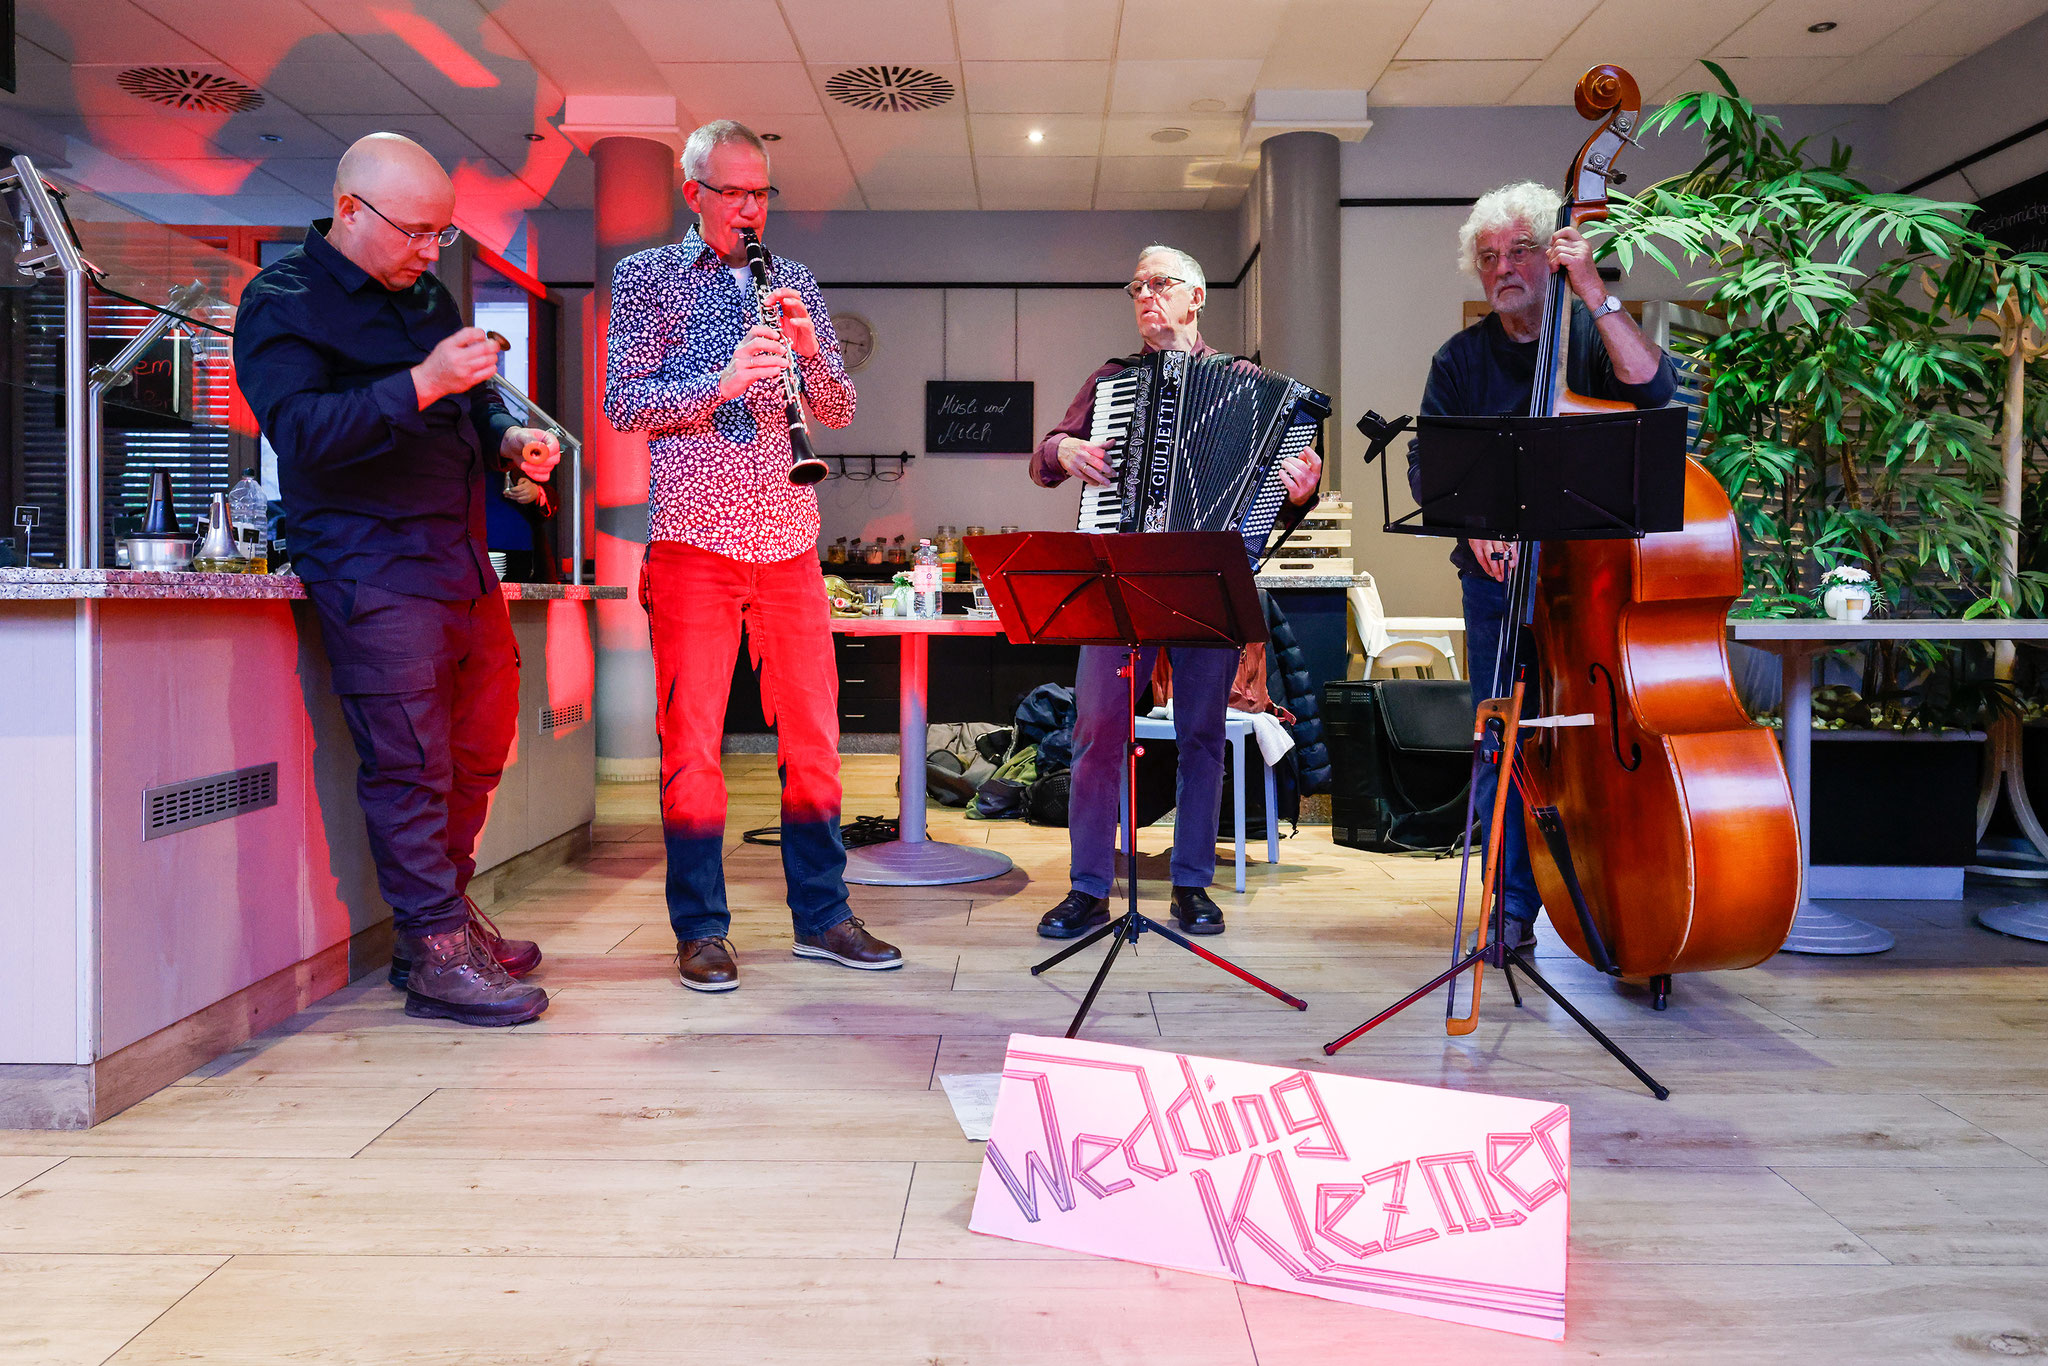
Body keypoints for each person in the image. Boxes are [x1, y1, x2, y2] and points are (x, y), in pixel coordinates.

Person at [235, 133, 562, 1026]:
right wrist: (420, 381)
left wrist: (508, 438)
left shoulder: (424, 294)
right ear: (350, 210)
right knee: (410, 765)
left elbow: (474, 399)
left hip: (459, 559)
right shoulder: (281, 300)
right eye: (416, 232)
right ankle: (436, 954)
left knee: (482, 745)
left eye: (440, 234)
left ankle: (441, 921)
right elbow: (301, 433)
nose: (429, 250)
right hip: (371, 564)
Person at [605, 119, 902, 992]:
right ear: (693, 193)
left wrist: (809, 351)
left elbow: (839, 410)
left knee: (815, 743)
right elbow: (625, 403)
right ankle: (700, 929)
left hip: (788, 543)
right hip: (693, 541)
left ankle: (824, 916)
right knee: (693, 746)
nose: (749, 207)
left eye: (760, 191)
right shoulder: (648, 277)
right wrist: (722, 382)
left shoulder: (794, 279)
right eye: (732, 191)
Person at [1409, 180, 1676, 950]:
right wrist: (1477, 524)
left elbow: (1656, 391)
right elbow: (1429, 468)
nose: (1504, 268)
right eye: (1489, 257)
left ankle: (1629, 893)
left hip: (1592, 582)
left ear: (1552, 257)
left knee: (1599, 739)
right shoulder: (1459, 360)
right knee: (1502, 738)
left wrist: (1592, 288)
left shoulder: (1589, 337)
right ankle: (1511, 908)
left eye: (1520, 250)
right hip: (1496, 586)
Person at [1029, 245, 1323, 941]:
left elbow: (1284, 492)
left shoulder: (1249, 384)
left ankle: (1191, 884)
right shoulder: (1112, 382)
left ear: (1197, 297)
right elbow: (1045, 459)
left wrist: (1300, 495)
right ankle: (1087, 889)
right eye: (1136, 286)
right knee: (1096, 732)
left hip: (1205, 581)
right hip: (1119, 578)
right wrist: (1062, 450)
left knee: (1202, 735)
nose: (1144, 295)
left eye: (1159, 283)